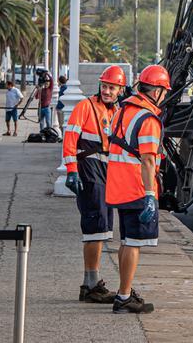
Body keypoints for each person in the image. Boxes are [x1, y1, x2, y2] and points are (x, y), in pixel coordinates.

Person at [106, 64, 171, 314]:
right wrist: (150, 195)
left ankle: (125, 290)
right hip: (136, 188)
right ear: (156, 91)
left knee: (125, 240)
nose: (164, 96)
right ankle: (123, 297)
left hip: (118, 185)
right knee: (133, 242)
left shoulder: (122, 111)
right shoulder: (149, 120)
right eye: (164, 91)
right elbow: (147, 159)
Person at [63, 65, 126, 304]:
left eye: (112, 87)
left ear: (120, 89)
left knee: (102, 228)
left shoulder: (117, 111)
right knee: (94, 226)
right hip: (88, 169)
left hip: (106, 172)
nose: (107, 91)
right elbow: (70, 138)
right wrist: (71, 171)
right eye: (105, 86)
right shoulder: (84, 107)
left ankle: (92, 283)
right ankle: (90, 285)